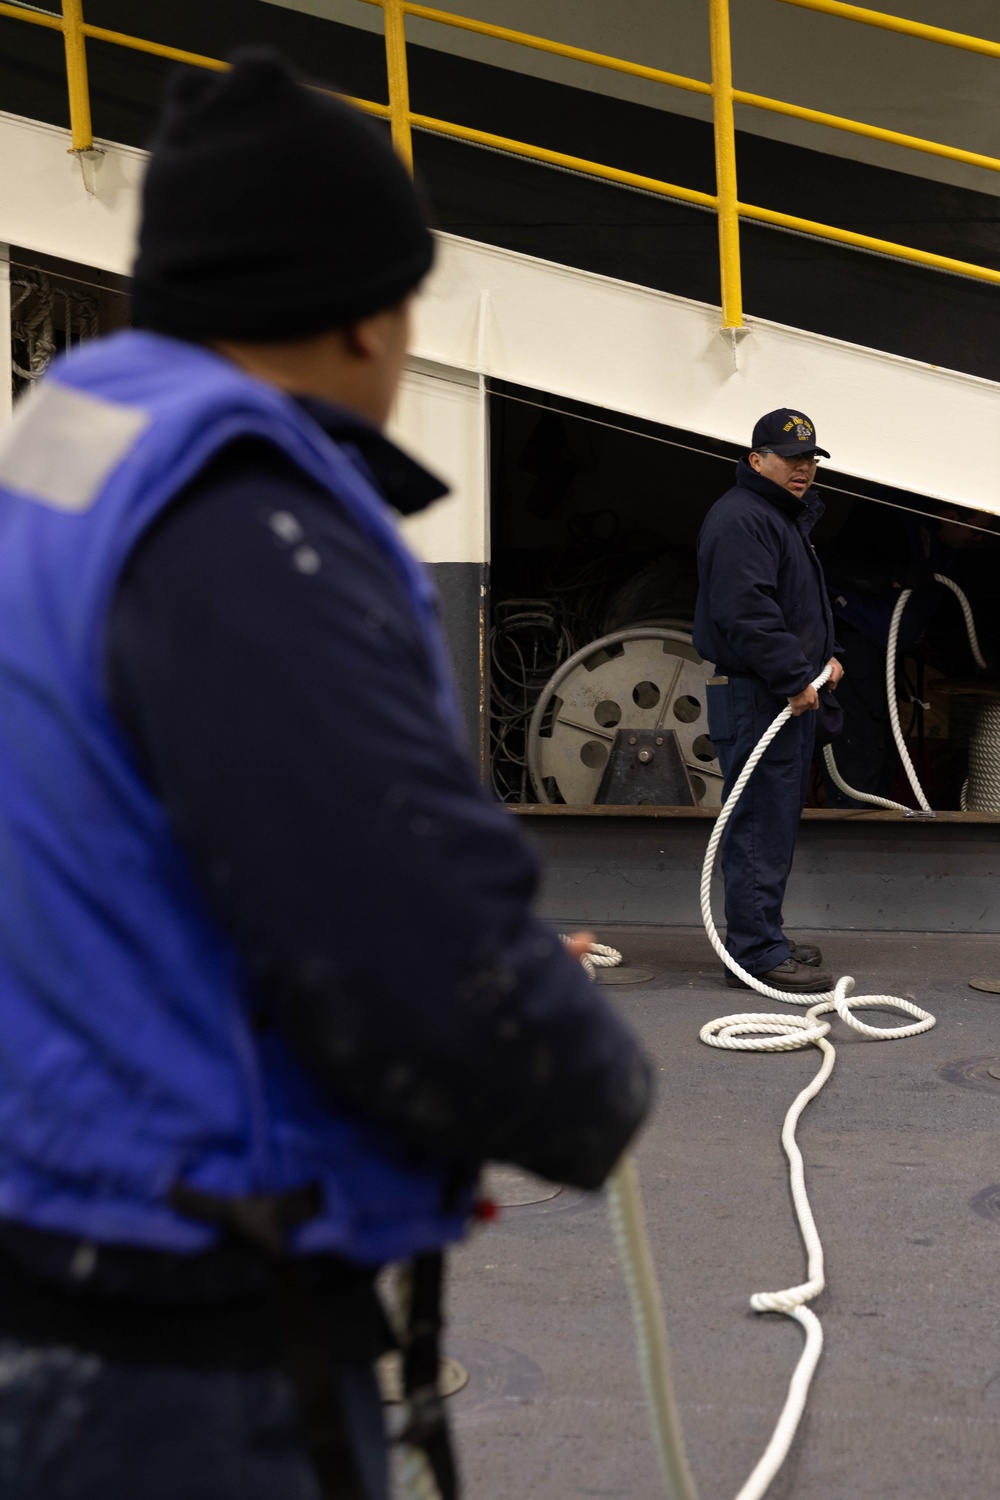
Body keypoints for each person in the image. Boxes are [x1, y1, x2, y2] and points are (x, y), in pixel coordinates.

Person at [0, 51, 652, 1500]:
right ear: (366, 310)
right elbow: (406, 935)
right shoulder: (246, 529)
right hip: (182, 1338)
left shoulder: (70, 450)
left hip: (59, 1222)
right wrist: (580, 1077)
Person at [693, 409, 843, 993]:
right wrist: (791, 676)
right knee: (758, 822)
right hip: (762, 694)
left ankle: (764, 935)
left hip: (779, 692)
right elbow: (746, 611)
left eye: (809, 459)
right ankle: (755, 952)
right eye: (789, 458)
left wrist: (820, 661)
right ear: (756, 461)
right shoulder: (744, 519)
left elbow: (787, 607)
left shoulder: (772, 517)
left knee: (771, 821)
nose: (802, 468)